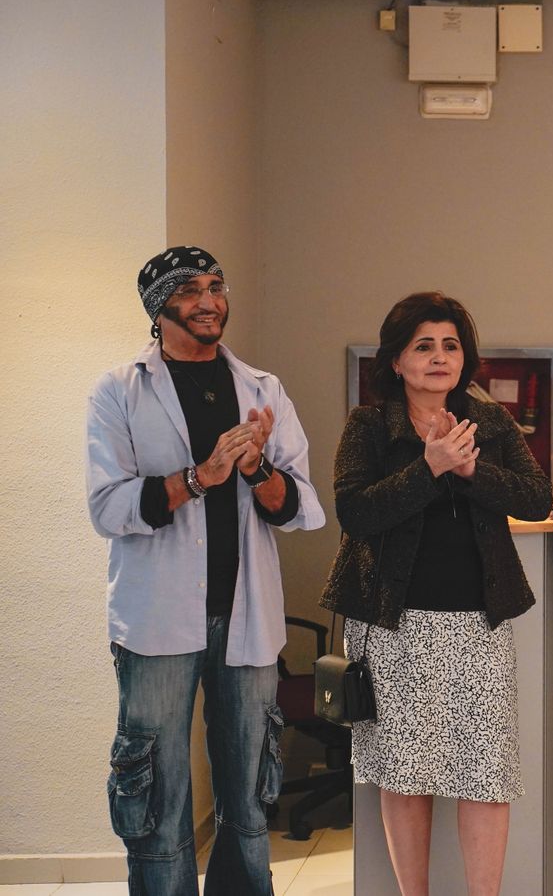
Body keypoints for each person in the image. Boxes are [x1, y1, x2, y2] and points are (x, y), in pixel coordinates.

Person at [89, 246, 325, 895]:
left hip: (245, 619)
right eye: (190, 289)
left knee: (248, 792)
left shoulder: (261, 389)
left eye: (216, 285)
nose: (209, 299)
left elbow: (304, 509)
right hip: (157, 621)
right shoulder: (120, 389)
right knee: (159, 795)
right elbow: (107, 508)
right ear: (159, 307)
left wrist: (255, 470)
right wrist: (199, 478)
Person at [321, 292, 551, 896]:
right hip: (394, 625)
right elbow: (354, 512)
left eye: (450, 345)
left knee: (486, 775)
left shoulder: (492, 423)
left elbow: (533, 498)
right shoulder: (369, 425)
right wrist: (429, 467)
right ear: (396, 360)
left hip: (480, 622)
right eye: (423, 345)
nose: (439, 357)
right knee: (404, 775)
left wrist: (471, 469)